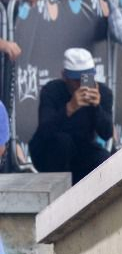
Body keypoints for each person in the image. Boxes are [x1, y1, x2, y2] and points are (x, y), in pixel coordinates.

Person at [29, 48, 113, 184]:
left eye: (86, 79)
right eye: (76, 80)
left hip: (81, 148)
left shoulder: (103, 92)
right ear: (64, 76)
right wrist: (70, 108)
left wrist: (97, 108)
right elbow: (44, 131)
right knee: (64, 142)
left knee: (103, 158)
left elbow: (107, 133)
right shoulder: (52, 91)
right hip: (49, 150)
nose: (81, 85)